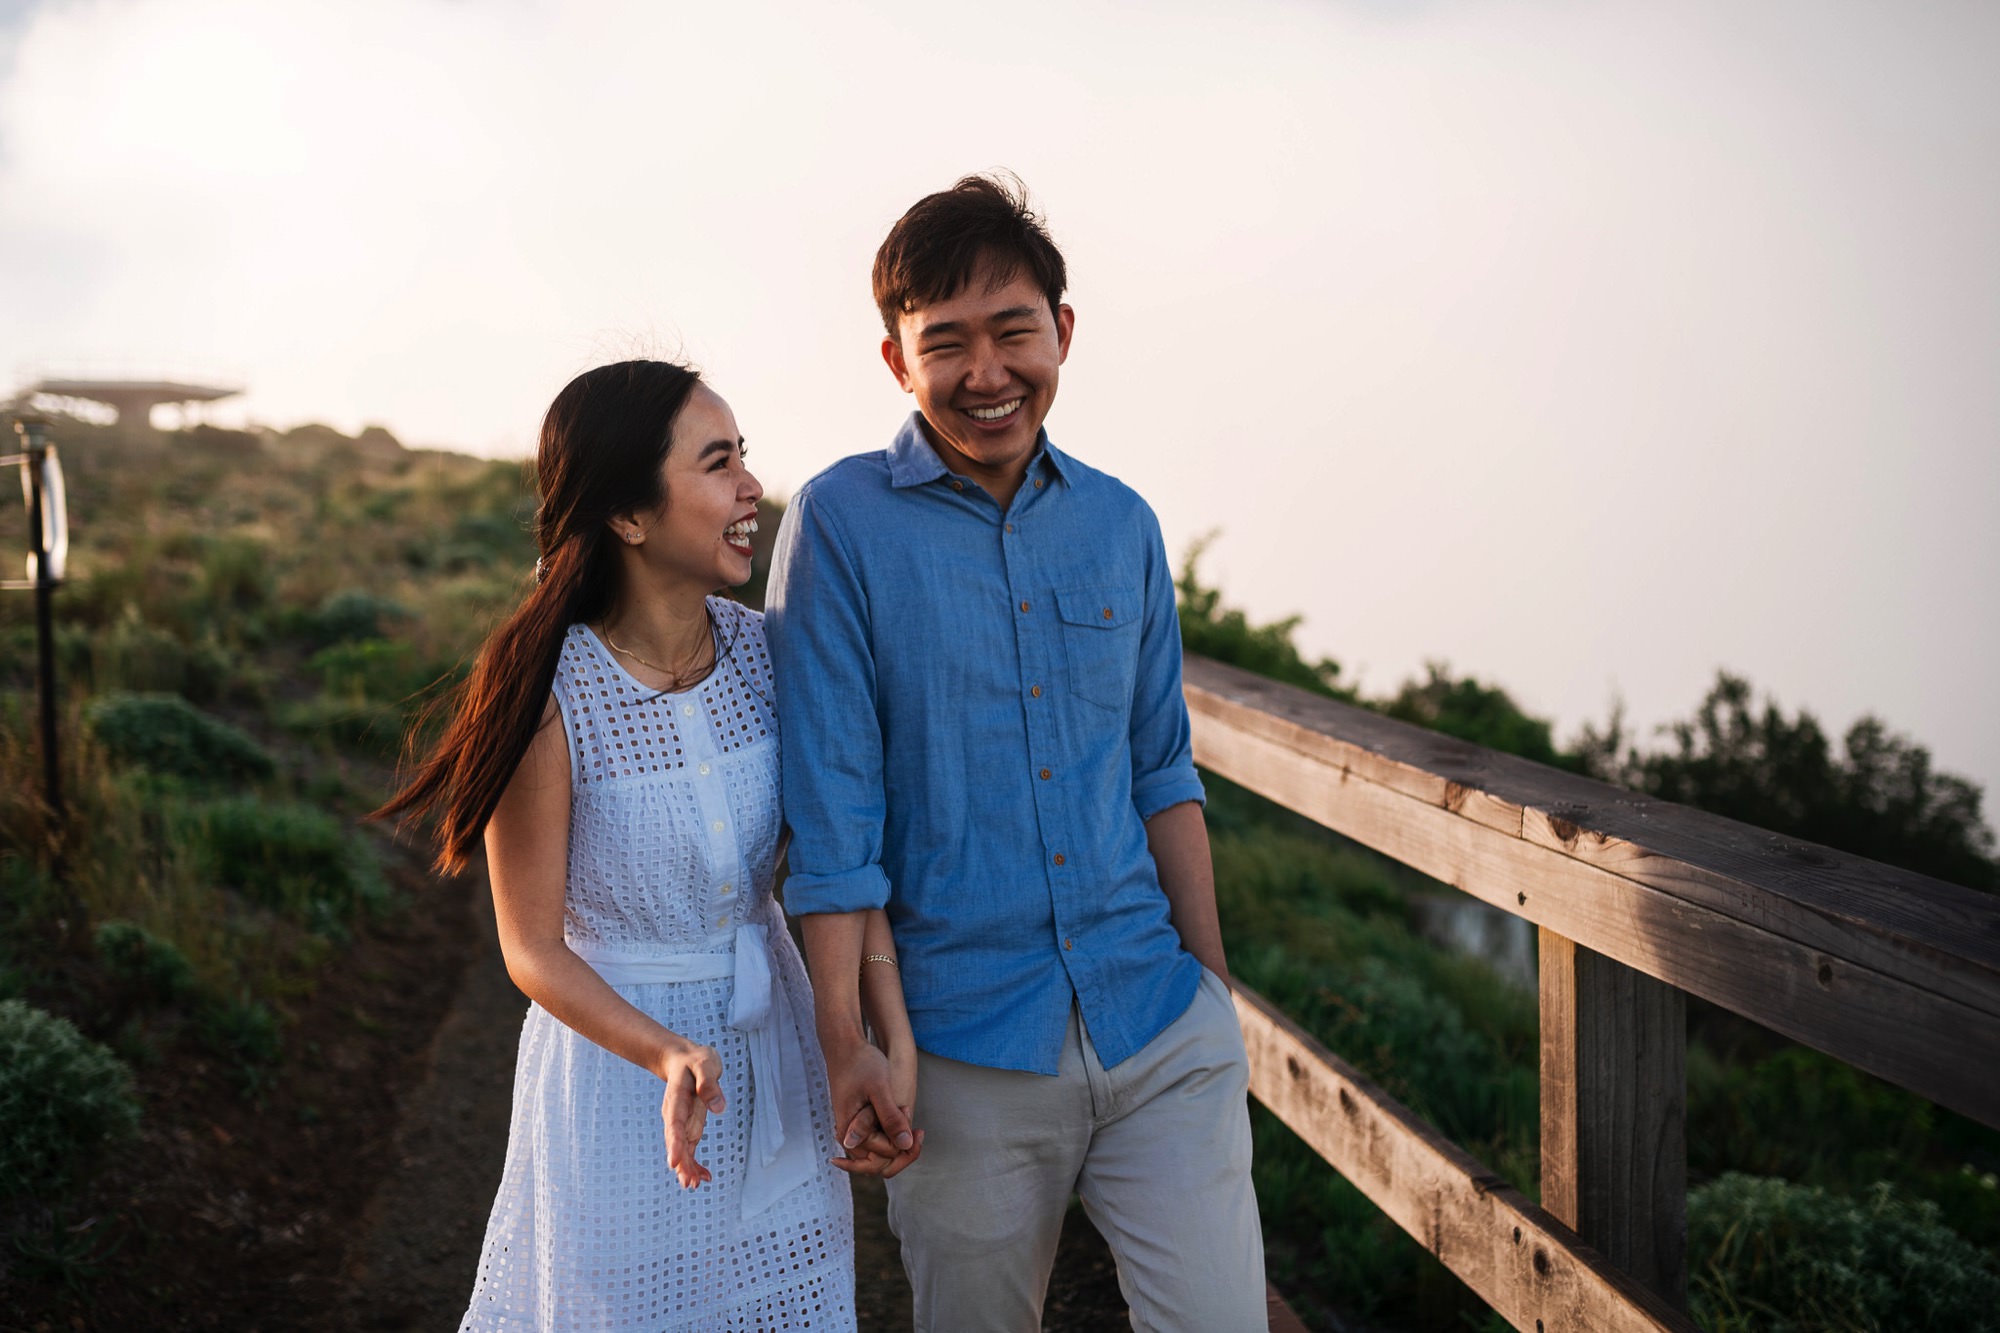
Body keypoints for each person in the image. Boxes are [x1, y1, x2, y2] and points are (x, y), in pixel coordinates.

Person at [766, 176, 1267, 1331]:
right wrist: (850, 1045)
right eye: (946, 343)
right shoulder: (840, 525)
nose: (986, 372)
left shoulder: (1120, 523)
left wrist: (1212, 993)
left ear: (1063, 334)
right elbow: (833, 826)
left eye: (1012, 332)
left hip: (1157, 1030)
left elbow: (1160, 771)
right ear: (897, 361)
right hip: (960, 1055)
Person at [375, 360, 916, 1332]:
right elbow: (530, 948)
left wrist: (870, 1036)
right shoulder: (549, 686)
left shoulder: (773, 653)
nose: (751, 486)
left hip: (771, 1049)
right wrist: (665, 1053)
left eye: (744, 457)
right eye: (717, 464)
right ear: (627, 515)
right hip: (618, 1080)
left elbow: (843, 862)